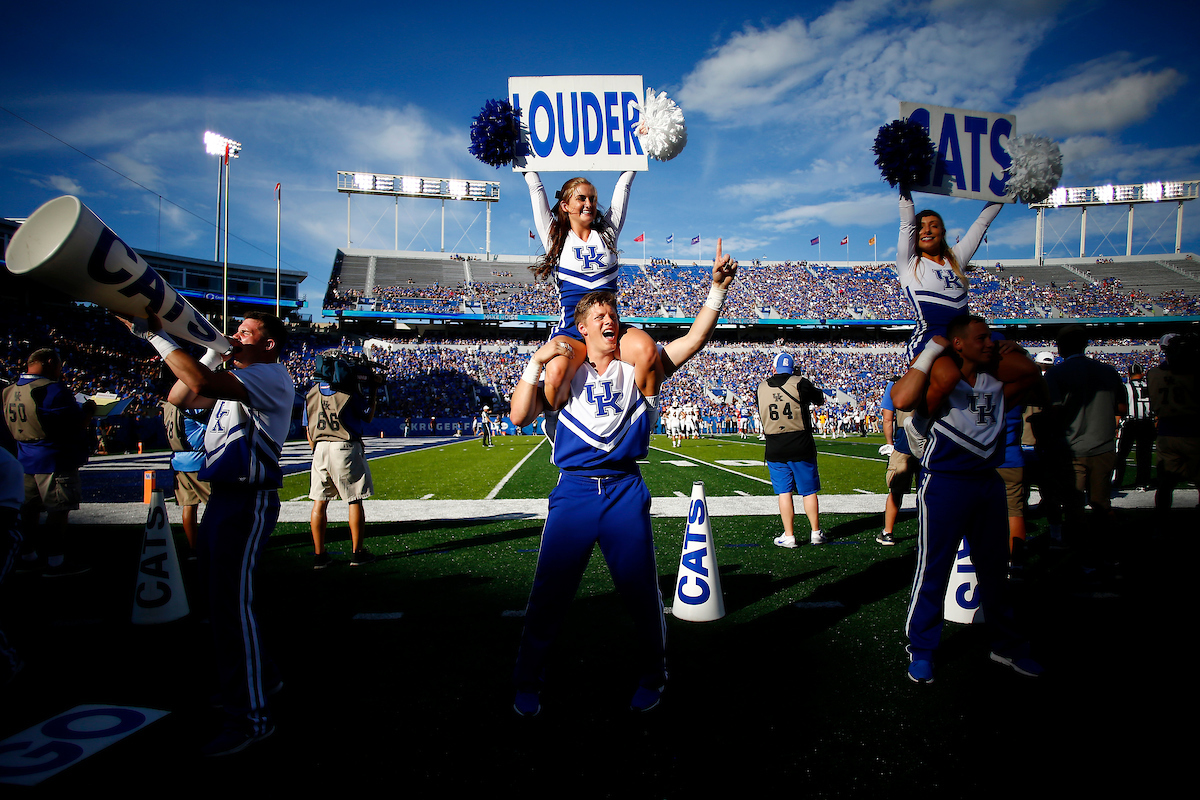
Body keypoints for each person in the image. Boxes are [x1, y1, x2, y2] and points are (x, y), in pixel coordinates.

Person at [507, 239, 738, 717]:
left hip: (623, 490)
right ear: (581, 329)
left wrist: (715, 292)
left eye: (613, 314)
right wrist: (534, 363)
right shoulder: (563, 374)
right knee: (549, 592)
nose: (609, 320)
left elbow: (692, 341)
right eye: (598, 317)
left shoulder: (640, 370)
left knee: (640, 592)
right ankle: (528, 679)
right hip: (572, 492)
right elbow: (519, 416)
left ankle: (654, 674)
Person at [122, 311, 293, 756]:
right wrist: (212, 349)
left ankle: (251, 716)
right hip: (223, 498)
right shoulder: (233, 376)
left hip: (248, 498)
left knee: (232, 606)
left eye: (245, 332)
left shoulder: (271, 375)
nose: (236, 335)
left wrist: (156, 336)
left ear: (269, 344)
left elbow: (197, 384)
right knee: (221, 603)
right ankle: (263, 678)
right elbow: (179, 395)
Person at [905, 314, 1041, 684]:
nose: (992, 342)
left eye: (993, 338)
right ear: (959, 344)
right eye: (982, 338)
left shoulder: (996, 386)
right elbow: (909, 398)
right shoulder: (942, 385)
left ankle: (1006, 644)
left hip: (987, 483)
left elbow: (1030, 371)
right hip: (945, 484)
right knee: (933, 570)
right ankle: (922, 649)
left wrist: (1003, 350)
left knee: (996, 572)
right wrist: (943, 354)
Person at [524, 171, 659, 420]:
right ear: (565, 206)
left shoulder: (606, 234)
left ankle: (648, 420)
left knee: (647, 351)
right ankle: (555, 425)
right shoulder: (556, 238)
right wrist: (528, 169)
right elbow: (536, 191)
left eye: (593, 199)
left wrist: (636, 154)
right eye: (582, 199)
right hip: (573, 332)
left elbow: (623, 187)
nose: (589, 204)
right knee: (555, 374)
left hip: (609, 329)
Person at [887, 189, 1034, 413]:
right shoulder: (909, 264)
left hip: (968, 339)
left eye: (933, 225)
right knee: (948, 376)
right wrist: (904, 185)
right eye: (921, 227)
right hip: (932, 337)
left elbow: (982, 222)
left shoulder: (956, 259)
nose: (927, 230)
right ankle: (920, 424)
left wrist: (1008, 189)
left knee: (1027, 371)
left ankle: (982, 417)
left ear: (943, 231)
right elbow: (906, 222)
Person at [3, 349, 93, 577]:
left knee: (28, 511)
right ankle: (55, 561)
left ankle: (27, 556)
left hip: (23, 457)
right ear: (50, 362)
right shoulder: (53, 389)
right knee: (59, 510)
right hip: (54, 459)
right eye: (59, 365)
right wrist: (90, 412)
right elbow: (75, 423)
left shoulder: (9, 390)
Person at [1043, 325, 1126, 561]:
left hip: (1072, 449)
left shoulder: (1056, 374)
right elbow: (1121, 408)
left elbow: (1054, 414)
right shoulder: (1109, 371)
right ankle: (1112, 552)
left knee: (1074, 506)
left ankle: (1084, 556)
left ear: (1060, 347)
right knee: (1102, 504)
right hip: (1104, 446)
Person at [306, 366, 379, 569]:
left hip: (319, 447)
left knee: (319, 502)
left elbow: (308, 428)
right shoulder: (348, 393)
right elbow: (368, 416)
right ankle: (357, 553)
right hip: (344, 446)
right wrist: (373, 391)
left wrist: (316, 450)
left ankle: (319, 555)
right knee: (354, 499)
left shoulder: (311, 392)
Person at [755, 352, 826, 548]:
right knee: (809, 491)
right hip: (800, 442)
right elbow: (820, 398)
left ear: (774, 368)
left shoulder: (761, 386)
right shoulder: (800, 382)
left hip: (775, 445)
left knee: (784, 492)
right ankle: (815, 533)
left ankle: (789, 535)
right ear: (793, 368)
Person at [1146, 332, 1199, 511]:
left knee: (1165, 484)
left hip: (1166, 431)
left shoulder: (1153, 374)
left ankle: (1161, 525)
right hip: (1193, 430)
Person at [163, 397, 211, 560]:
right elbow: (209, 425)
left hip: (178, 461)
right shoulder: (191, 405)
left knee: (189, 506)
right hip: (198, 460)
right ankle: (216, 544)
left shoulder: (169, 405)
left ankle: (193, 548)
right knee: (218, 505)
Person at [877, 378, 920, 546]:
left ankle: (888, 531)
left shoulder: (896, 383)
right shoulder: (937, 376)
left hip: (904, 439)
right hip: (930, 437)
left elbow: (888, 419)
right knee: (929, 490)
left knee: (896, 490)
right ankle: (930, 531)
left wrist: (889, 444)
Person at [1112, 363, 1155, 492]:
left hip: (1130, 423)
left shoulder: (1125, 387)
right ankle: (1142, 482)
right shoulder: (1149, 386)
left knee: (1121, 454)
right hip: (1147, 423)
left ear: (1129, 374)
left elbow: (1120, 409)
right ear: (1142, 373)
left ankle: (1117, 481)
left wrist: (1116, 426)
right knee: (1144, 455)